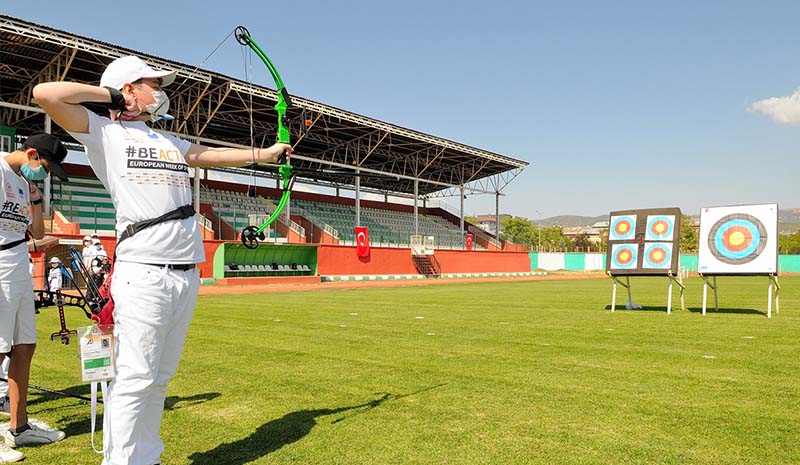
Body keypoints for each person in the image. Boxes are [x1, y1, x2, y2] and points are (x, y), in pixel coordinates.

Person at [33, 55, 292, 465]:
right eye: (153, 83)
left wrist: (264, 154)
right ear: (129, 89)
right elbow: (46, 93)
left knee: (158, 378)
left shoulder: (169, 141)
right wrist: (111, 96)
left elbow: (209, 155)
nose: (161, 91)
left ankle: (146, 457)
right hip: (145, 273)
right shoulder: (104, 132)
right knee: (135, 377)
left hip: (185, 272)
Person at [0, 133, 69, 462]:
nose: (46, 173)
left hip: (19, 270)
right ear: (31, 154)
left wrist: (37, 200)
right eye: (45, 166)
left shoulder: (21, 181)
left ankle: (19, 427)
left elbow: (38, 234)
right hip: (1, 268)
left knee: (25, 345)